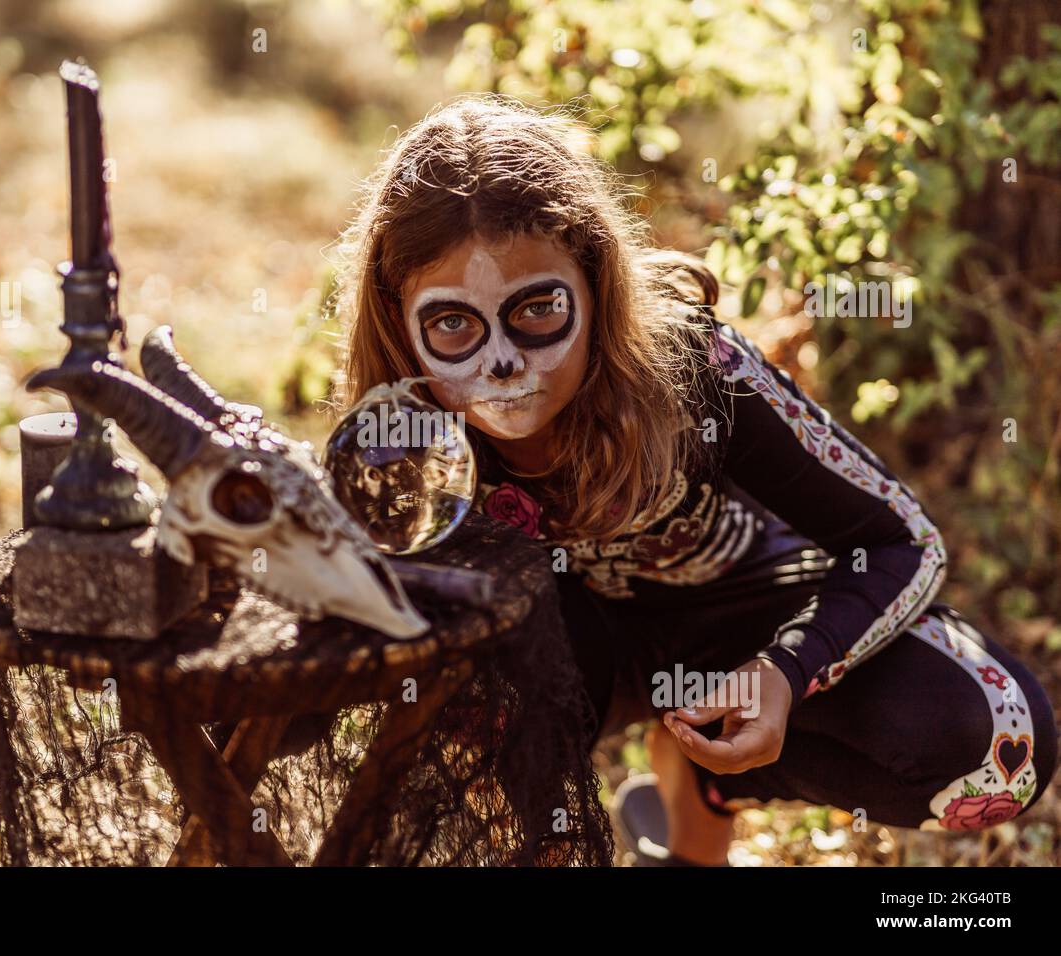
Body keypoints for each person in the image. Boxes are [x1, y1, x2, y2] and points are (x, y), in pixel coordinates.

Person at [332, 94, 1057, 864]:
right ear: (396, 318)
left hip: (754, 611)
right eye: (453, 323)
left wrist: (784, 673)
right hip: (584, 645)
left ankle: (704, 787)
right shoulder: (397, 437)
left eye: (538, 308)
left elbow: (902, 539)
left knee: (1002, 749)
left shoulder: (695, 370)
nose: (503, 361)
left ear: (596, 276)